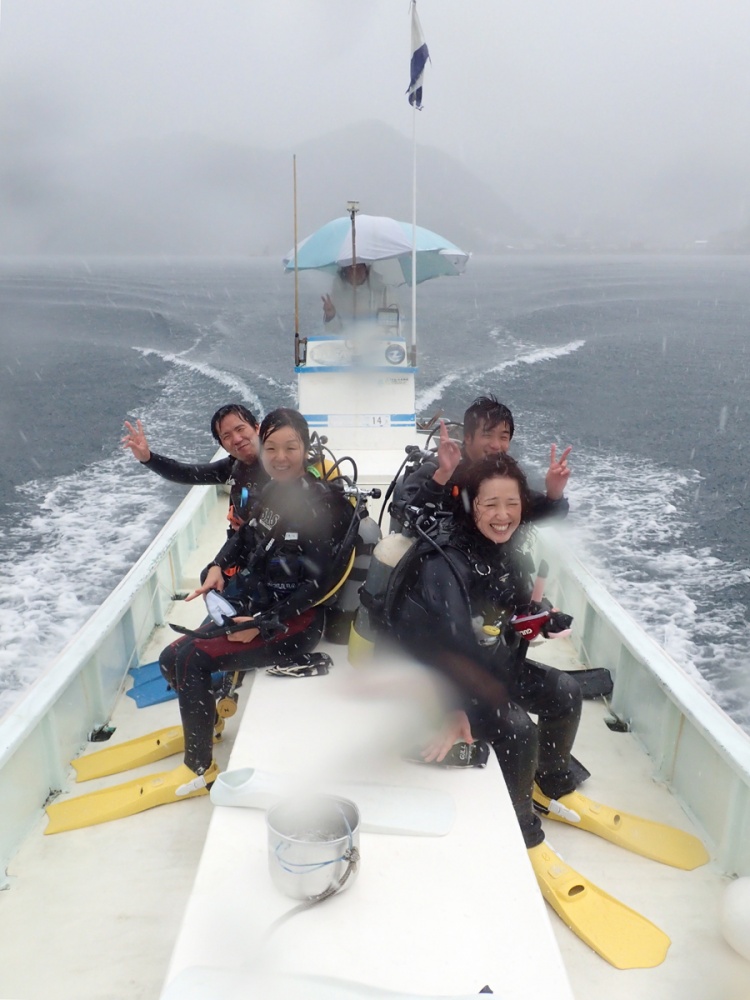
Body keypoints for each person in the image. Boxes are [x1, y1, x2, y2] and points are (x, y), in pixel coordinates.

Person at [387, 453, 582, 851]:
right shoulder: (446, 561)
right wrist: (453, 710)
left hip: (490, 662)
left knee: (565, 693)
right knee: (518, 731)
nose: (503, 515)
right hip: (434, 680)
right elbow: (450, 640)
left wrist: (540, 617)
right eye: (490, 504)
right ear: (468, 504)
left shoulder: (501, 548)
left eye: (512, 504)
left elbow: (509, 607)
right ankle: (520, 829)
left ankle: (550, 780)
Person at [157, 408, 357, 793]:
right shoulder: (270, 492)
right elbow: (246, 536)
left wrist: (264, 622)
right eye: (272, 448)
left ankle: (199, 770)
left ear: (304, 447)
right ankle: (209, 721)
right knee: (170, 660)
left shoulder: (323, 505)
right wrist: (218, 565)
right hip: (258, 608)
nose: (280, 458)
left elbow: (319, 583)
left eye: (290, 448)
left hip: (294, 623)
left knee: (192, 659)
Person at [394, 395, 571, 525]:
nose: (496, 445)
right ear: (468, 437)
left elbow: (548, 515)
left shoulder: (504, 478)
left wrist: (554, 494)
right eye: (487, 435)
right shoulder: (437, 468)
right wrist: (442, 477)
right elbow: (403, 514)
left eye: (503, 437)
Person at [122, 403, 269, 529]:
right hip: (242, 548)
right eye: (227, 436)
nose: (236, 439)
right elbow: (186, 473)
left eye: (240, 429)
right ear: (222, 446)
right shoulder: (232, 467)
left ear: (257, 428)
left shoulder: (282, 465)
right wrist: (148, 458)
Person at [322, 263, 388, 331]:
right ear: (345, 271)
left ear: (366, 270)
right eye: (351, 268)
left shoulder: (382, 293)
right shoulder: (337, 296)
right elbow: (332, 333)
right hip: (345, 340)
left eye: (359, 267)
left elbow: (392, 328)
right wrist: (330, 316)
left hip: (376, 339)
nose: (355, 271)